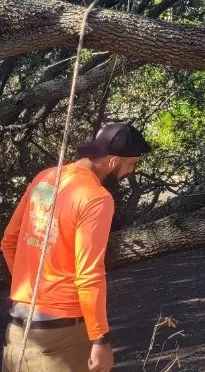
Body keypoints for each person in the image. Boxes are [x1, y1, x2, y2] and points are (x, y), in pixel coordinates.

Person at [2, 121, 152, 372]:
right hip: (60, 340)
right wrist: (100, 339)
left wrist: (29, 290)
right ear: (114, 162)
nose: (130, 173)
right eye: (131, 165)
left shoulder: (45, 179)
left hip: (18, 331)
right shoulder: (96, 198)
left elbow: (9, 241)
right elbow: (89, 274)